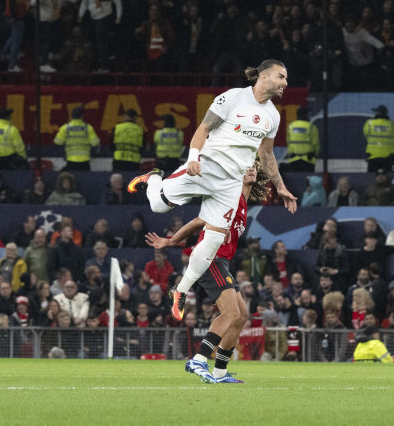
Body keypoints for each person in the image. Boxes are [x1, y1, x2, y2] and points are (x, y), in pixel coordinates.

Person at [128, 59, 297, 321]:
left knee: (214, 239)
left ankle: (180, 290)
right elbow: (204, 128)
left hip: (231, 183)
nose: (286, 83)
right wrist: (194, 157)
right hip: (206, 166)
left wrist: (281, 187)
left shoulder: (273, 115)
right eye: (281, 77)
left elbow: (266, 154)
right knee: (158, 206)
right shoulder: (232, 97)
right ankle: (153, 178)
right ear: (264, 77)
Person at [146, 163, 269, 383]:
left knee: (241, 316)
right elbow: (198, 221)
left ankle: (220, 371)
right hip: (210, 259)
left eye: (254, 169)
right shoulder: (229, 196)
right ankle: (199, 358)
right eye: (246, 168)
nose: (251, 170)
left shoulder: (242, 202)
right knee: (230, 314)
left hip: (222, 263)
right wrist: (171, 241)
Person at [78, 0, 123, 72]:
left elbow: (117, 1)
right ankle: (105, 57)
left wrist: (118, 16)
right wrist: (80, 15)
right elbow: (84, 2)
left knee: (101, 40)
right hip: (93, 17)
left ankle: (104, 65)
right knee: (96, 40)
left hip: (105, 16)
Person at [32, 0, 77, 73]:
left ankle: (50, 55)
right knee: (46, 42)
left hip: (54, 19)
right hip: (44, 21)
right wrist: (37, 3)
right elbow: (32, 2)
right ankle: (43, 64)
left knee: (56, 38)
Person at [54, 106, 100, 171]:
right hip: (84, 161)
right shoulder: (88, 128)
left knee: (72, 178)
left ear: (72, 115)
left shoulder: (65, 127)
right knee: (85, 179)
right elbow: (95, 143)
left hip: (71, 160)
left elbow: (58, 141)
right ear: (82, 116)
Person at [283, 107, 319, 172]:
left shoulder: (291, 126)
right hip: (308, 160)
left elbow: (288, 142)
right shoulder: (311, 127)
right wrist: (315, 154)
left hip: (293, 160)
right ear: (306, 115)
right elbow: (316, 145)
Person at [363, 105, 394, 172]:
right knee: (387, 179)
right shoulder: (392, 125)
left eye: (376, 112)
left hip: (373, 156)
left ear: (378, 113)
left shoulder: (369, 124)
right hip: (388, 157)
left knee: (372, 178)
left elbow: (366, 135)